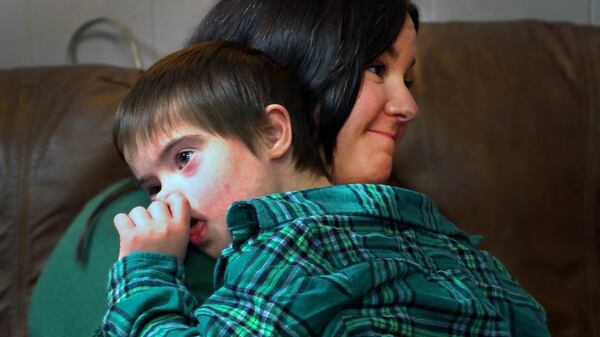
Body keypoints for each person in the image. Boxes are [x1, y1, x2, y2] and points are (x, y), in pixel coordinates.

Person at [100, 40, 550, 336]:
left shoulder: (286, 248)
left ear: (274, 132)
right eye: (152, 187)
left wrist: (146, 270)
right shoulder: (436, 234)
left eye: (184, 158)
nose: (167, 200)